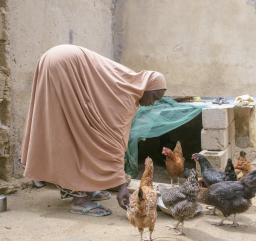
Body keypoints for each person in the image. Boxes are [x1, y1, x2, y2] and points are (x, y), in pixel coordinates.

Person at [21, 44, 166, 216]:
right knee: (82, 138)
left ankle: (84, 185)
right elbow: (111, 143)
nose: (153, 103)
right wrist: (121, 186)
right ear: (148, 87)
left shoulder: (128, 81)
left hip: (55, 59)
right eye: (155, 97)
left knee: (68, 132)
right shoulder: (126, 96)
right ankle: (80, 199)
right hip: (64, 65)